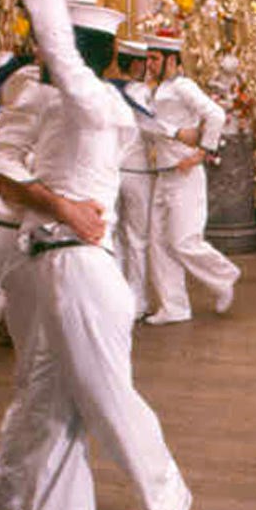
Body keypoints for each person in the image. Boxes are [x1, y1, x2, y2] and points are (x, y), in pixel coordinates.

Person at [0, 0, 194, 510]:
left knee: (99, 397)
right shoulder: (43, 97)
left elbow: (64, 61)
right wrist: (48, 201)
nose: (43, 48)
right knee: (48, 394)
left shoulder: (96, 102)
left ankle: (167, 501)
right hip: (36, 262)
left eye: (54, 40)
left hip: (81, 268)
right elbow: (0, 161)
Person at [141, 34, 239, 325]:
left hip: (185, 174)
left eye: (154, 59)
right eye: (148, 58)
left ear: (170, 60)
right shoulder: (157, 89)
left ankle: (223, 277)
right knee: (158, 244)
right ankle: (174, 307)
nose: (149, 64)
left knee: (184, 241)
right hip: (163, 173)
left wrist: (201, 153)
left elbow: (216, 114)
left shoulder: (183, 86)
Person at [0, 51, 39, 343]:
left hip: (18, 197)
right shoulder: (17, 103)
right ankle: (8, 315)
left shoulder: (25, 97)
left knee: (14, 258)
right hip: (11, 195)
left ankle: (11, 316)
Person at [108, 38, 157, 319]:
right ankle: (137, 300)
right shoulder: (144, 94)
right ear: (137, 64)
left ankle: (116, 298)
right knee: (138, 238)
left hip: (114, 170)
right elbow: (153, 130)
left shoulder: (109, 91)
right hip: (138, 171)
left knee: (113, 235)